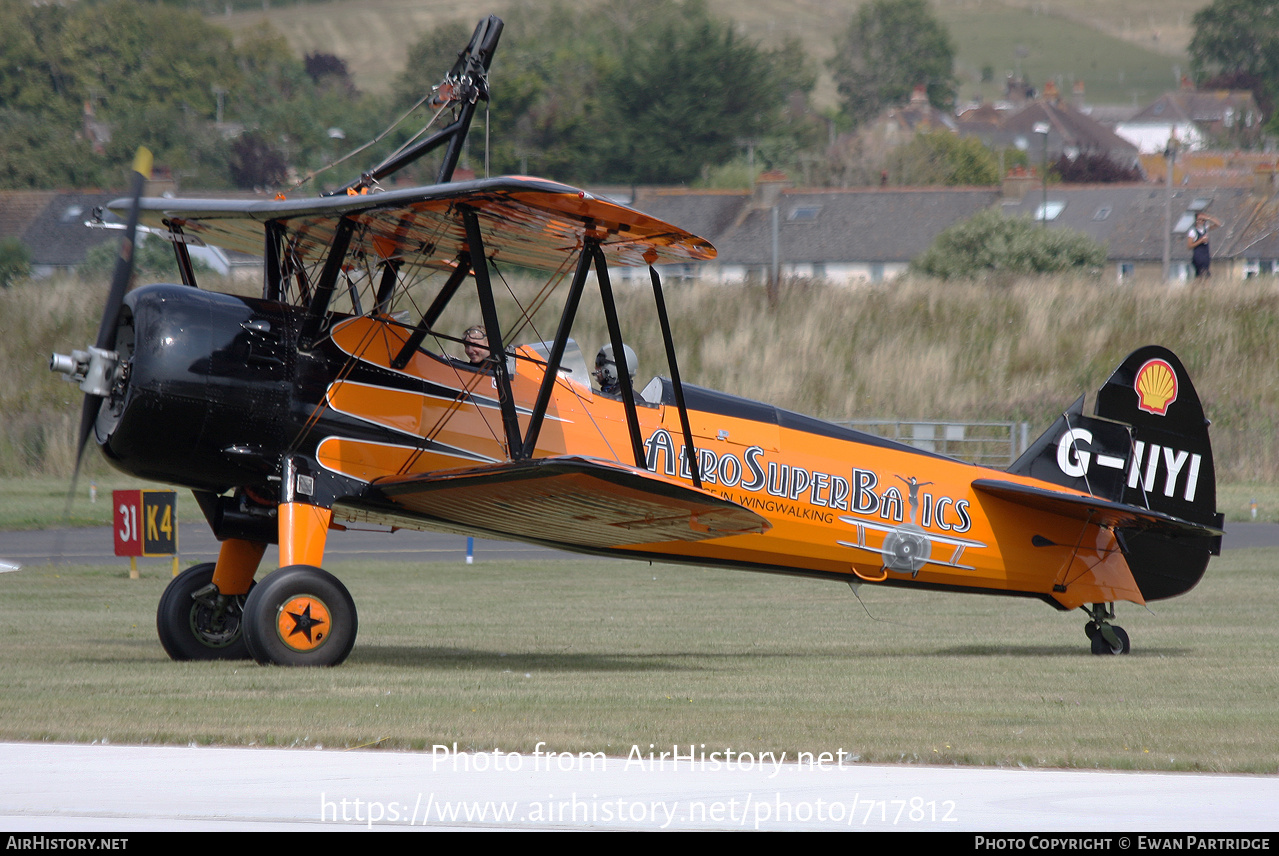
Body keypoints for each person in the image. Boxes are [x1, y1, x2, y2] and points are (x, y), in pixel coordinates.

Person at [1186, 212, 1222, 279]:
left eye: (1203, 220)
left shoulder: (1205, 228)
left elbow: (1218, 224)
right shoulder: (1193, 231)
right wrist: (1200, 241)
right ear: (1196, 220)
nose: (1201, 222)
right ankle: (1203, 288)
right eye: (1199, 219)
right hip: (1198, 256)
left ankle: (1198, 289)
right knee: (1204, 275)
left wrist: (1208, 217)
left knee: (1201, 276)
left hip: (1206, 256)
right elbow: (1189, 246)